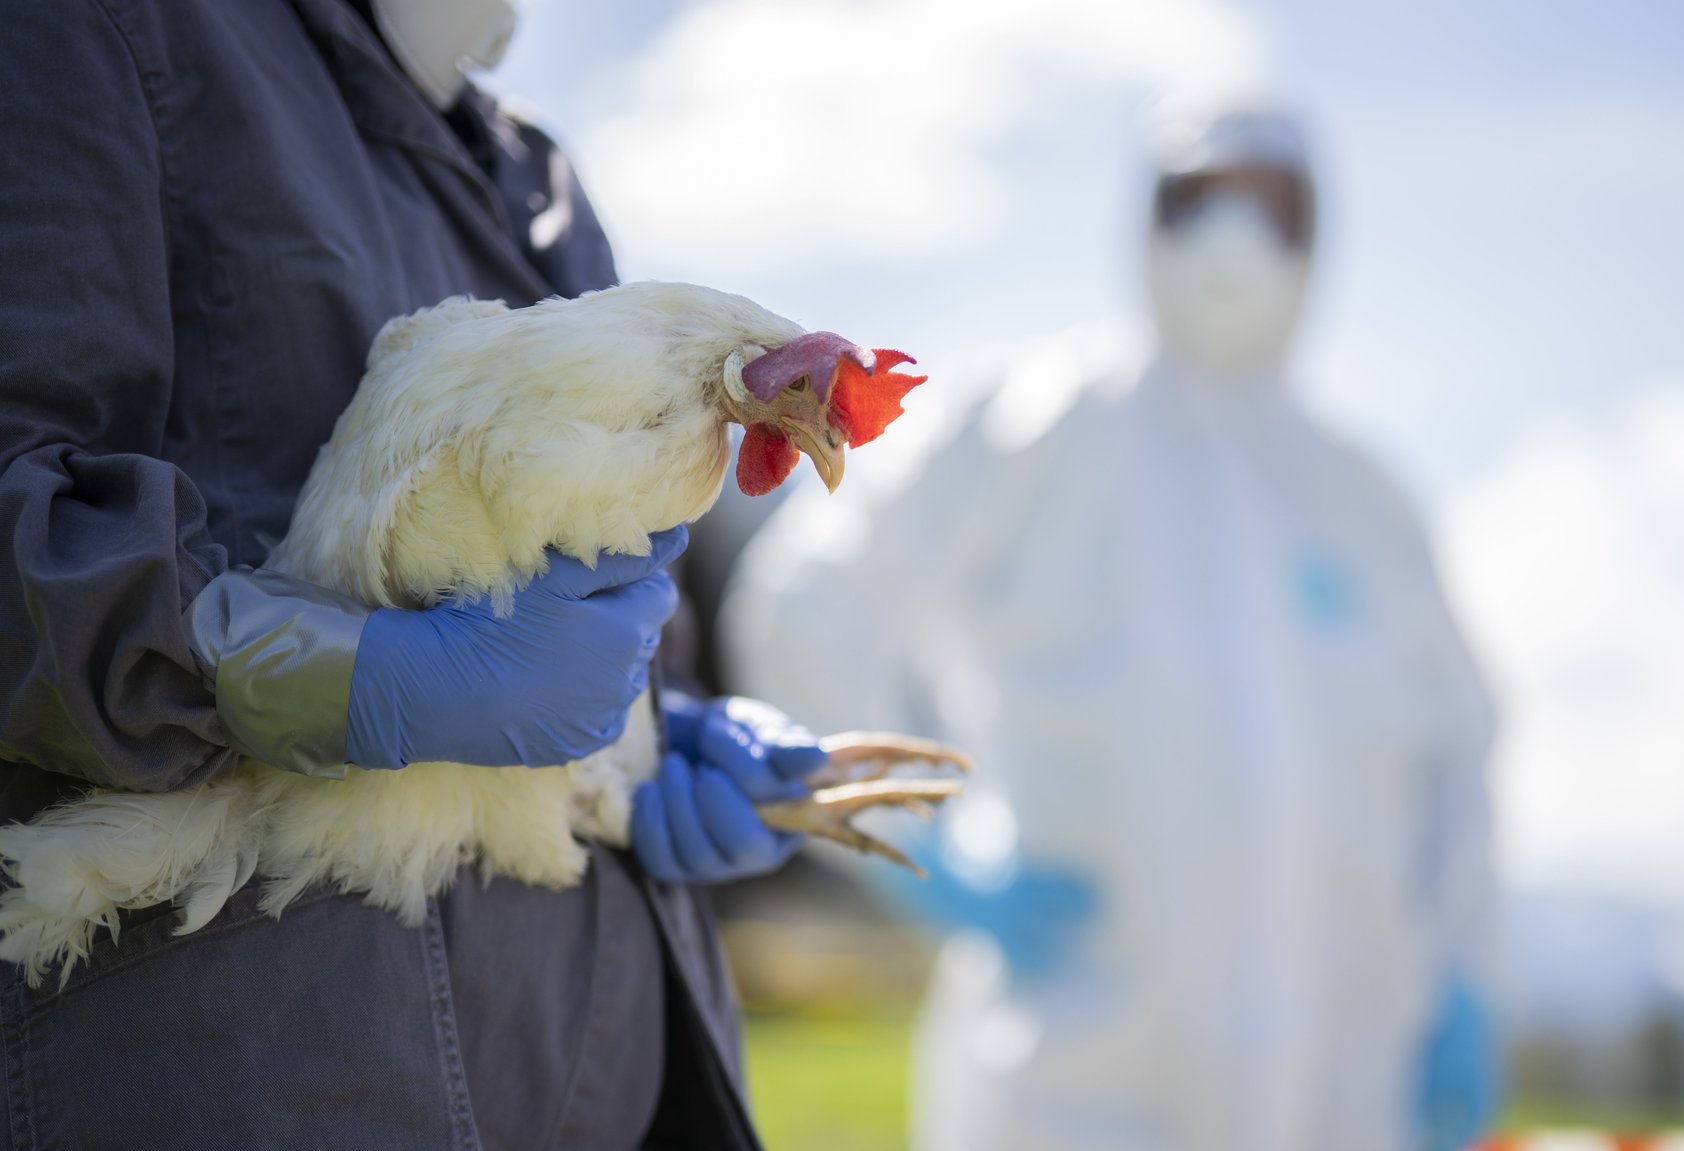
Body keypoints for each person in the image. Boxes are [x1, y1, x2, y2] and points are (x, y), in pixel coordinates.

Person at [0, 1, 818, 1146]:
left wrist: (657, 729)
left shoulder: (535, 176)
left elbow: (578, 613)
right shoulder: (88, 29)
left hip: (602, 1077)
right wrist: (330, 674)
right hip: (262, 1074)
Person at [723, 104, 1502, 1150]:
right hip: (1068, 1093)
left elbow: (1457, 761)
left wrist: (1463, 979)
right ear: (1146, 218)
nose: (1233, 239)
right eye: (1200, 198)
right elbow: (800, 608)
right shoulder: (1031, 429)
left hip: (1345, 1093)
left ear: (1316, 236)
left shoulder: (1366, 503)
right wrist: (923, 853)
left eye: (1269, 207)